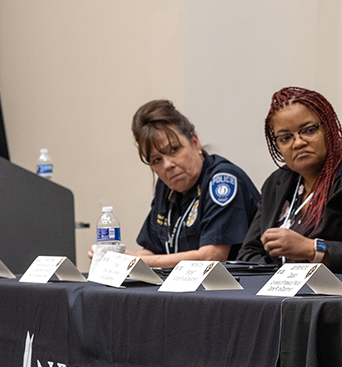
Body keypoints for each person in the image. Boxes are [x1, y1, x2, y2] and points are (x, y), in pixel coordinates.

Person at [237, 86, 342, 276]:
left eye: (308, 130)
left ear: (328, 128)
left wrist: (313, 249)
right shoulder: (276, 184)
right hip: (283, 295)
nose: (298, 142)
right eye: (285, 138)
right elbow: (248, 254)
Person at [90, 99, 260, 268]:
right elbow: (151, 251)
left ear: (195, 142)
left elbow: (212, 256)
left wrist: (136, 261)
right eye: (156, 160)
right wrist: (115, 260)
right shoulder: (167, 187)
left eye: (174, 150)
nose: (167, 165)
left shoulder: (222, 180)